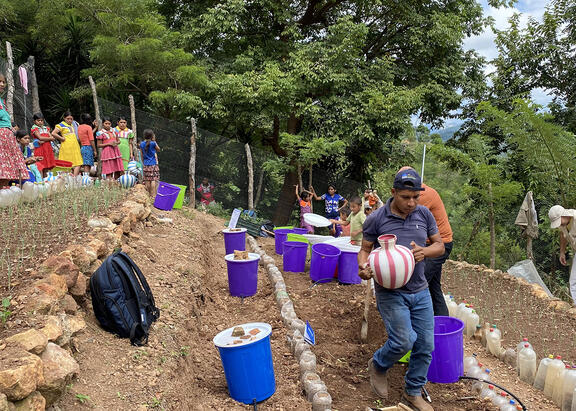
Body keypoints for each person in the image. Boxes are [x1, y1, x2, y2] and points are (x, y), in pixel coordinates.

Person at [358, 168, 444, 411]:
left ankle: (413, 390)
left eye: (416, 197)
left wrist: (424, 251)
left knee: (426, 344)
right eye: (406, 197)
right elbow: (364, 249)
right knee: (404, 340)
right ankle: (378, 364)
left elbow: (439, 246)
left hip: (420, 289)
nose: (412, 202)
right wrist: (363, 267)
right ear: (393, 192)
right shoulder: (376, 218)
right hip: (390, 291)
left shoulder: (424, 214)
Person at [398, 166, 453, 316]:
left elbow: (406, 217)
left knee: (417, 285)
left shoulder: (421, 195)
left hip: (439, 244)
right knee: (433, 286)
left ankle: (415, 323)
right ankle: (441, 323)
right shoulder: (416, 193)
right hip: (431, 243)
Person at [0, 73, 28, 187]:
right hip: (1, 139)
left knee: (7, 167)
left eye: (3, 82)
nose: (2, 84)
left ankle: (5, 193)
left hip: (7, 139)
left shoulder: (2, 101)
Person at [549, 205, 576, 306]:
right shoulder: (563, 225)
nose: (559, 224)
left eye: (558, 221)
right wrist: (562, 252)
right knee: (573, 281)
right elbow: (563, 235)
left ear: (563, 215)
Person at [52, 111, 82, 176]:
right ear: (64, 118)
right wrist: (61, 138)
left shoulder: (73, 125)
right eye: (68, 119)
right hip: (66, 146)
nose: (69, 120)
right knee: (66, 162)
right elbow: (53, 133)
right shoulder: (61, 125)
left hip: (75, 146)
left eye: (71, 119)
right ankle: (67, 179)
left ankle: (74, 178)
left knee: (78, 162)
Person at [30, 113, 56, 177]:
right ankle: (40, 180)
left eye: (41, 120)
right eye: (38, 120)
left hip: (47, 148)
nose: (40, 122)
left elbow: (52, 138)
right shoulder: (34, 128)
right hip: (40, 148)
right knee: (40, 164)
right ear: (34, 121)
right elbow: (40, 137)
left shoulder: (46, 128)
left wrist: (45, 140)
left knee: (47, 165)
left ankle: (45, 179)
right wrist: (49, 139)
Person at [140, 129, 160, 196]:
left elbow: (141, 155)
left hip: (146, 164)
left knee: (147, 180)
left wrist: (143, 163)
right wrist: (154, 140)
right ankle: (153, 195)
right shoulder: (153, 143)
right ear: (152, 136)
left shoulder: (141, 144)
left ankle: (148, 195)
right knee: (153, 180)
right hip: (153, 164)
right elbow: (158, 149)